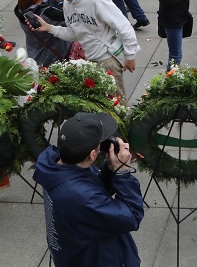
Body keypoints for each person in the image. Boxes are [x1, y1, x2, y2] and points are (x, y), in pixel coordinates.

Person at [32, 112, 145, 267]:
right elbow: (131, 217)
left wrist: (110, 169)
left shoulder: (55, 166)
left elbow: (95, 188)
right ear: (92, 154)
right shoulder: (80, 196)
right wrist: (123, 173)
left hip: (74, 253)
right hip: (97, 259)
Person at [33, 0, 139, 96]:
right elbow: (75, 34)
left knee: (117, 104)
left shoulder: (96, 0)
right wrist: (50, 28)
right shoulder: (67, 4)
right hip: (90, 60)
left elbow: (125, 28)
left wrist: (130, 56)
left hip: (107, 59)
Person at [14, 0, 73, 68]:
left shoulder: (21, 10)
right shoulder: (44, 13)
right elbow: (69, 19)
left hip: (35, 52)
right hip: (54, 56)